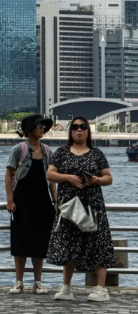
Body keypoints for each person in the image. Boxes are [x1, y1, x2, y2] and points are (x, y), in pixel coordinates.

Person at [47, 116, 116, 303]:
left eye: (83, 127)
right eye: (75, 127)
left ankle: (101, 288)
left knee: (98, 244)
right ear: (70, 131)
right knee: (69, 245)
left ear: (88, 131)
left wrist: (96, 181)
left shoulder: (97, 153)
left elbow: (108, 178)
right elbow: (50, 174)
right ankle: (66, 287)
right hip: (69, 207)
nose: (79, 130)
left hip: (92, 206)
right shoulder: (61, 152)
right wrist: (68, 177)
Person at [5, 114, 56, 294]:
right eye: (38, 126)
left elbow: (51, 180)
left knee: (40, 242)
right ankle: (19, 281)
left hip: (43, 202)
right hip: (21, 201)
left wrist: (55, 201)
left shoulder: (48, 151)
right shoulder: (19, 149)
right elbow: (9, 174)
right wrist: (10, 200)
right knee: (20, 240)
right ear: (29, 130)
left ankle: (37, 282)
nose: (42, 128)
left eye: (43, 126)